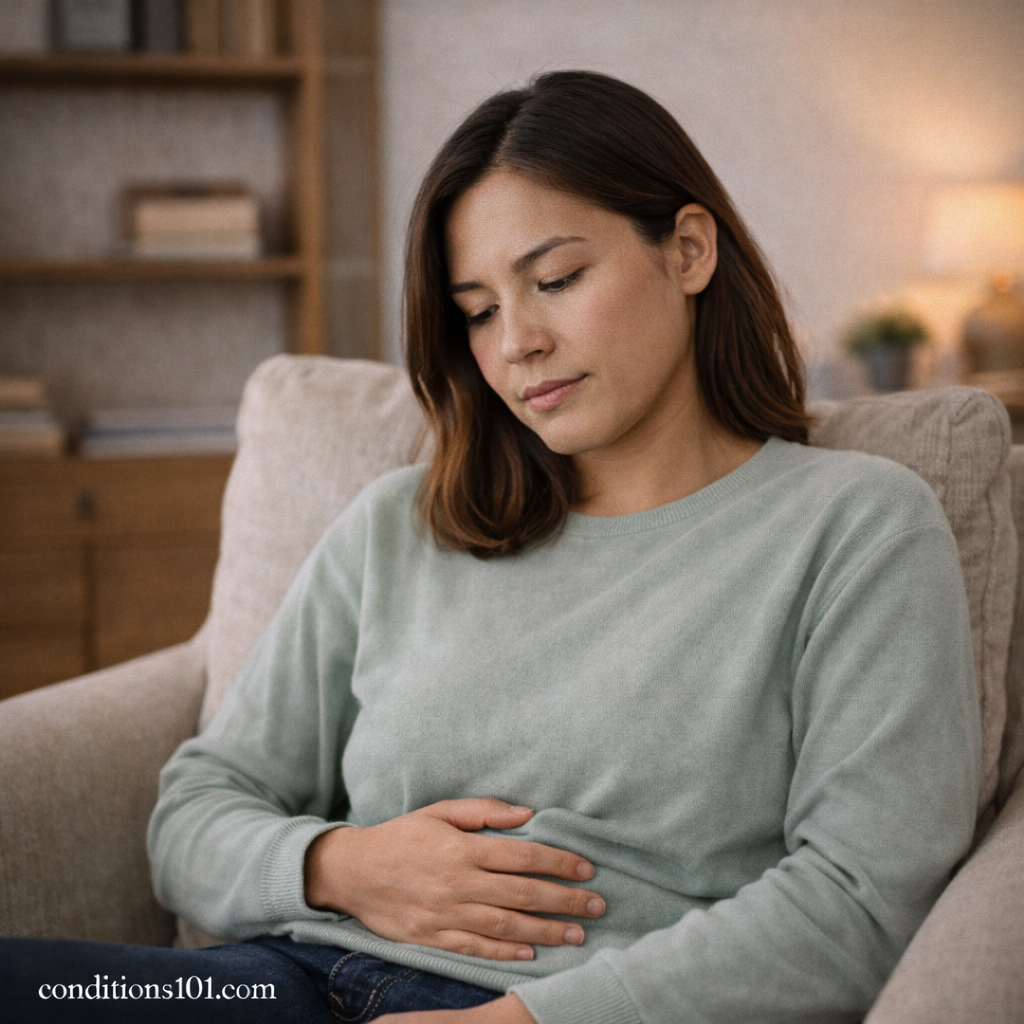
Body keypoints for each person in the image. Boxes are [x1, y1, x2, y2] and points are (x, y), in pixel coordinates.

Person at [2, 70, 979, 1024]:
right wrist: (342, 865)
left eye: (555, 279)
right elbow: (193, 817)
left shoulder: (855, 524)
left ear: (687, 250)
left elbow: (858, 904)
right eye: (476, 310)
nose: (515, 341)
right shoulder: (399, 524)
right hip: (289, 980)